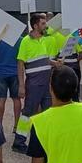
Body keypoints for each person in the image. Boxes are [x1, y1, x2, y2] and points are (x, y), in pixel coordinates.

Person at [13, 14, 58, 153]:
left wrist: (55, 63)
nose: (46, 26)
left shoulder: (44, 40)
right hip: (34, 83)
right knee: (28, 112)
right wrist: (21, 85)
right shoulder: (26, 41)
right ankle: (19, 142)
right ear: (35, 25)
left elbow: (44, 60)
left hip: (46, 83)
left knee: (47, 112)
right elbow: (20, 63)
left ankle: (43, 141)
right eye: (43, 23)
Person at [0, 35, 23, 133]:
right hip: (15, 73)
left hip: (0, 73)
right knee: (16, 99)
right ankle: (16, 125)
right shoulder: (19, 39)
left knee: (1, 100)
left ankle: (0, 125)